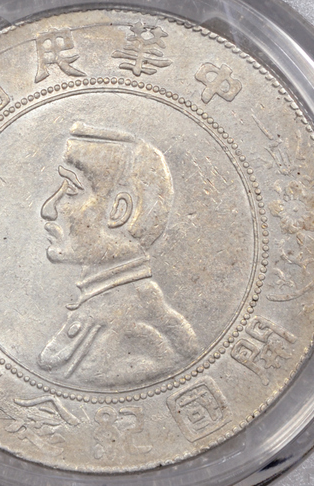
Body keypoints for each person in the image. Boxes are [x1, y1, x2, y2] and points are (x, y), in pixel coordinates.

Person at [38, 122, 200, 388]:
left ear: (119, 211)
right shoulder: (107, 309)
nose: (49, 209)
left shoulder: (143, 336)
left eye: (71, 190)